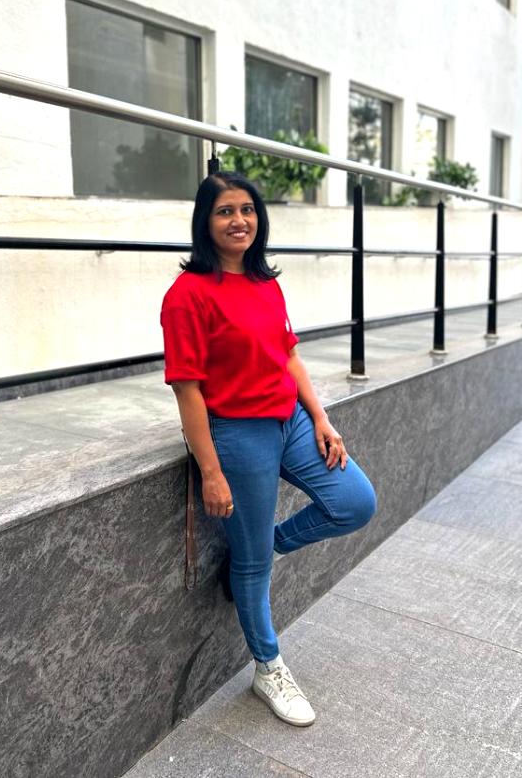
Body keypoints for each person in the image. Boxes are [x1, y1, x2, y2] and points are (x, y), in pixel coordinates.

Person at [160, 171, 377, 727]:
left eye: (248, 210)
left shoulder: (264, 282)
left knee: (355, 502)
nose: (239, 221)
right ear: (205, 222)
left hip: (291, 421)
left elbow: (288, 355)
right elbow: (187, 389)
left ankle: (263, 547)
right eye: (225, 211)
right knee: (253, 566)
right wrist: (211, 470)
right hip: (237, 434)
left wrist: (321, 417)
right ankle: (268, 667)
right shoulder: (187, 296)